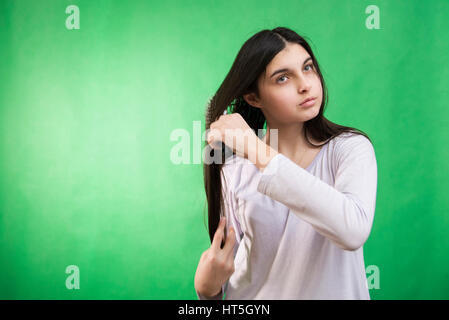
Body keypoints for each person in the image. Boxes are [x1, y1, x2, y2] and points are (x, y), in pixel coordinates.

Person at [194, 27, 378, 299]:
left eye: (308, 68)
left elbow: (352, 230)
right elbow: (228, 270)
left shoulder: (349, 149)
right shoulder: (234, 172)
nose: (305, 84)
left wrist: (256, 149)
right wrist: (206, 290)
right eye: (283, 78)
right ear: (253, 97)